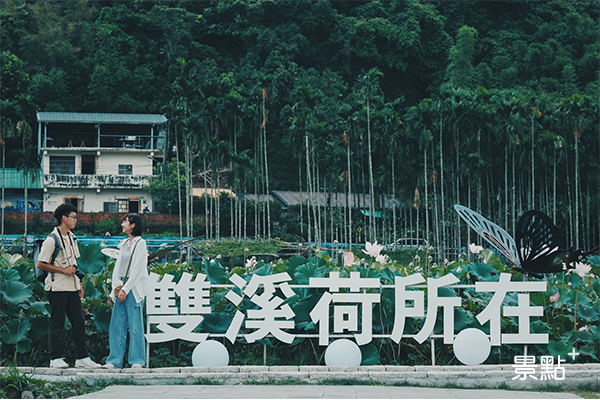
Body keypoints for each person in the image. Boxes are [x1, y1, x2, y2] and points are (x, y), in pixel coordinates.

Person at [37, 203, 101, 368]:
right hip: (57, 287)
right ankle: (55, 358)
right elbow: (41, 264)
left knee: (79, 322)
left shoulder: (72, 237)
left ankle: (82, 358)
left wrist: (79, 283)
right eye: (73, 217)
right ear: (64, 218)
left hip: (72, 287)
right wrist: (62, 270)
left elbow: (74, 263)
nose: (75, 220)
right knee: (57, 323)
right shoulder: (52, 239)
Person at [103, 213, 149, 369]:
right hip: (120, 288)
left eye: (125, 222)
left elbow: (137, 270)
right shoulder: (123, 245)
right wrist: (115, 289)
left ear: (133, 225)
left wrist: (126, 289)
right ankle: (114, 360)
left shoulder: (140, 244)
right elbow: (117, 269)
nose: (122, 224)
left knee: (135, 326)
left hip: (133, 289)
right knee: (116, 325)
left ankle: (137, 360)